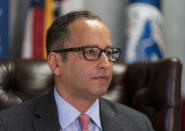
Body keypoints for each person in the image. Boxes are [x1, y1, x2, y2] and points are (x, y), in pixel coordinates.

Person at [0, 10, 155, 131]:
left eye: (108, 53)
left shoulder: (138, 124)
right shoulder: (9, 125)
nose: (105, 64)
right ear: (56, 64)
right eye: (90, 52)